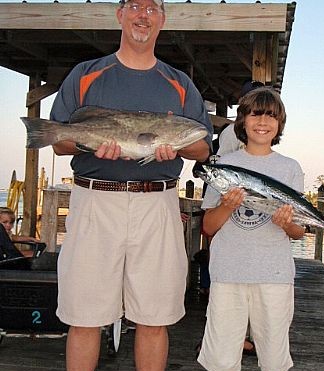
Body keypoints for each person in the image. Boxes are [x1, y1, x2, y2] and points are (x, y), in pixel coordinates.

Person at [49, 0, 212, 370]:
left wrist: (177, 147)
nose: (144, 15)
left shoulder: (180, 83)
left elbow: (203, 147)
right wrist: (91, 142)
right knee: (84, 315)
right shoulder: (85, 74)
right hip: (94, 201)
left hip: (157, 205)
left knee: (155, 317)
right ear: (120, 14)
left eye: (152, 8)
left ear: (163, 19)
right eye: (136, 6)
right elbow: (59, 140)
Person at [197, 87, 305, 371]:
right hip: (227, 272)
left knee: (273, 358)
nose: (263, 122)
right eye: (256, 114)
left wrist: (286, 224)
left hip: (274, 274)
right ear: (242, 121)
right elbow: (208, 227)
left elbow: (299, 231)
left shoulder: (290, 168)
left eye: (271, 116)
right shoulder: (224, 166)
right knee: (221, 359)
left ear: (280, 124)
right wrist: (226, 207)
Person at [217, 80, 265, 157]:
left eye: (262, 100)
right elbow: (223, 164)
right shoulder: (233, 131)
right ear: (241, 102)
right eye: (252, 99)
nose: (258, 104)